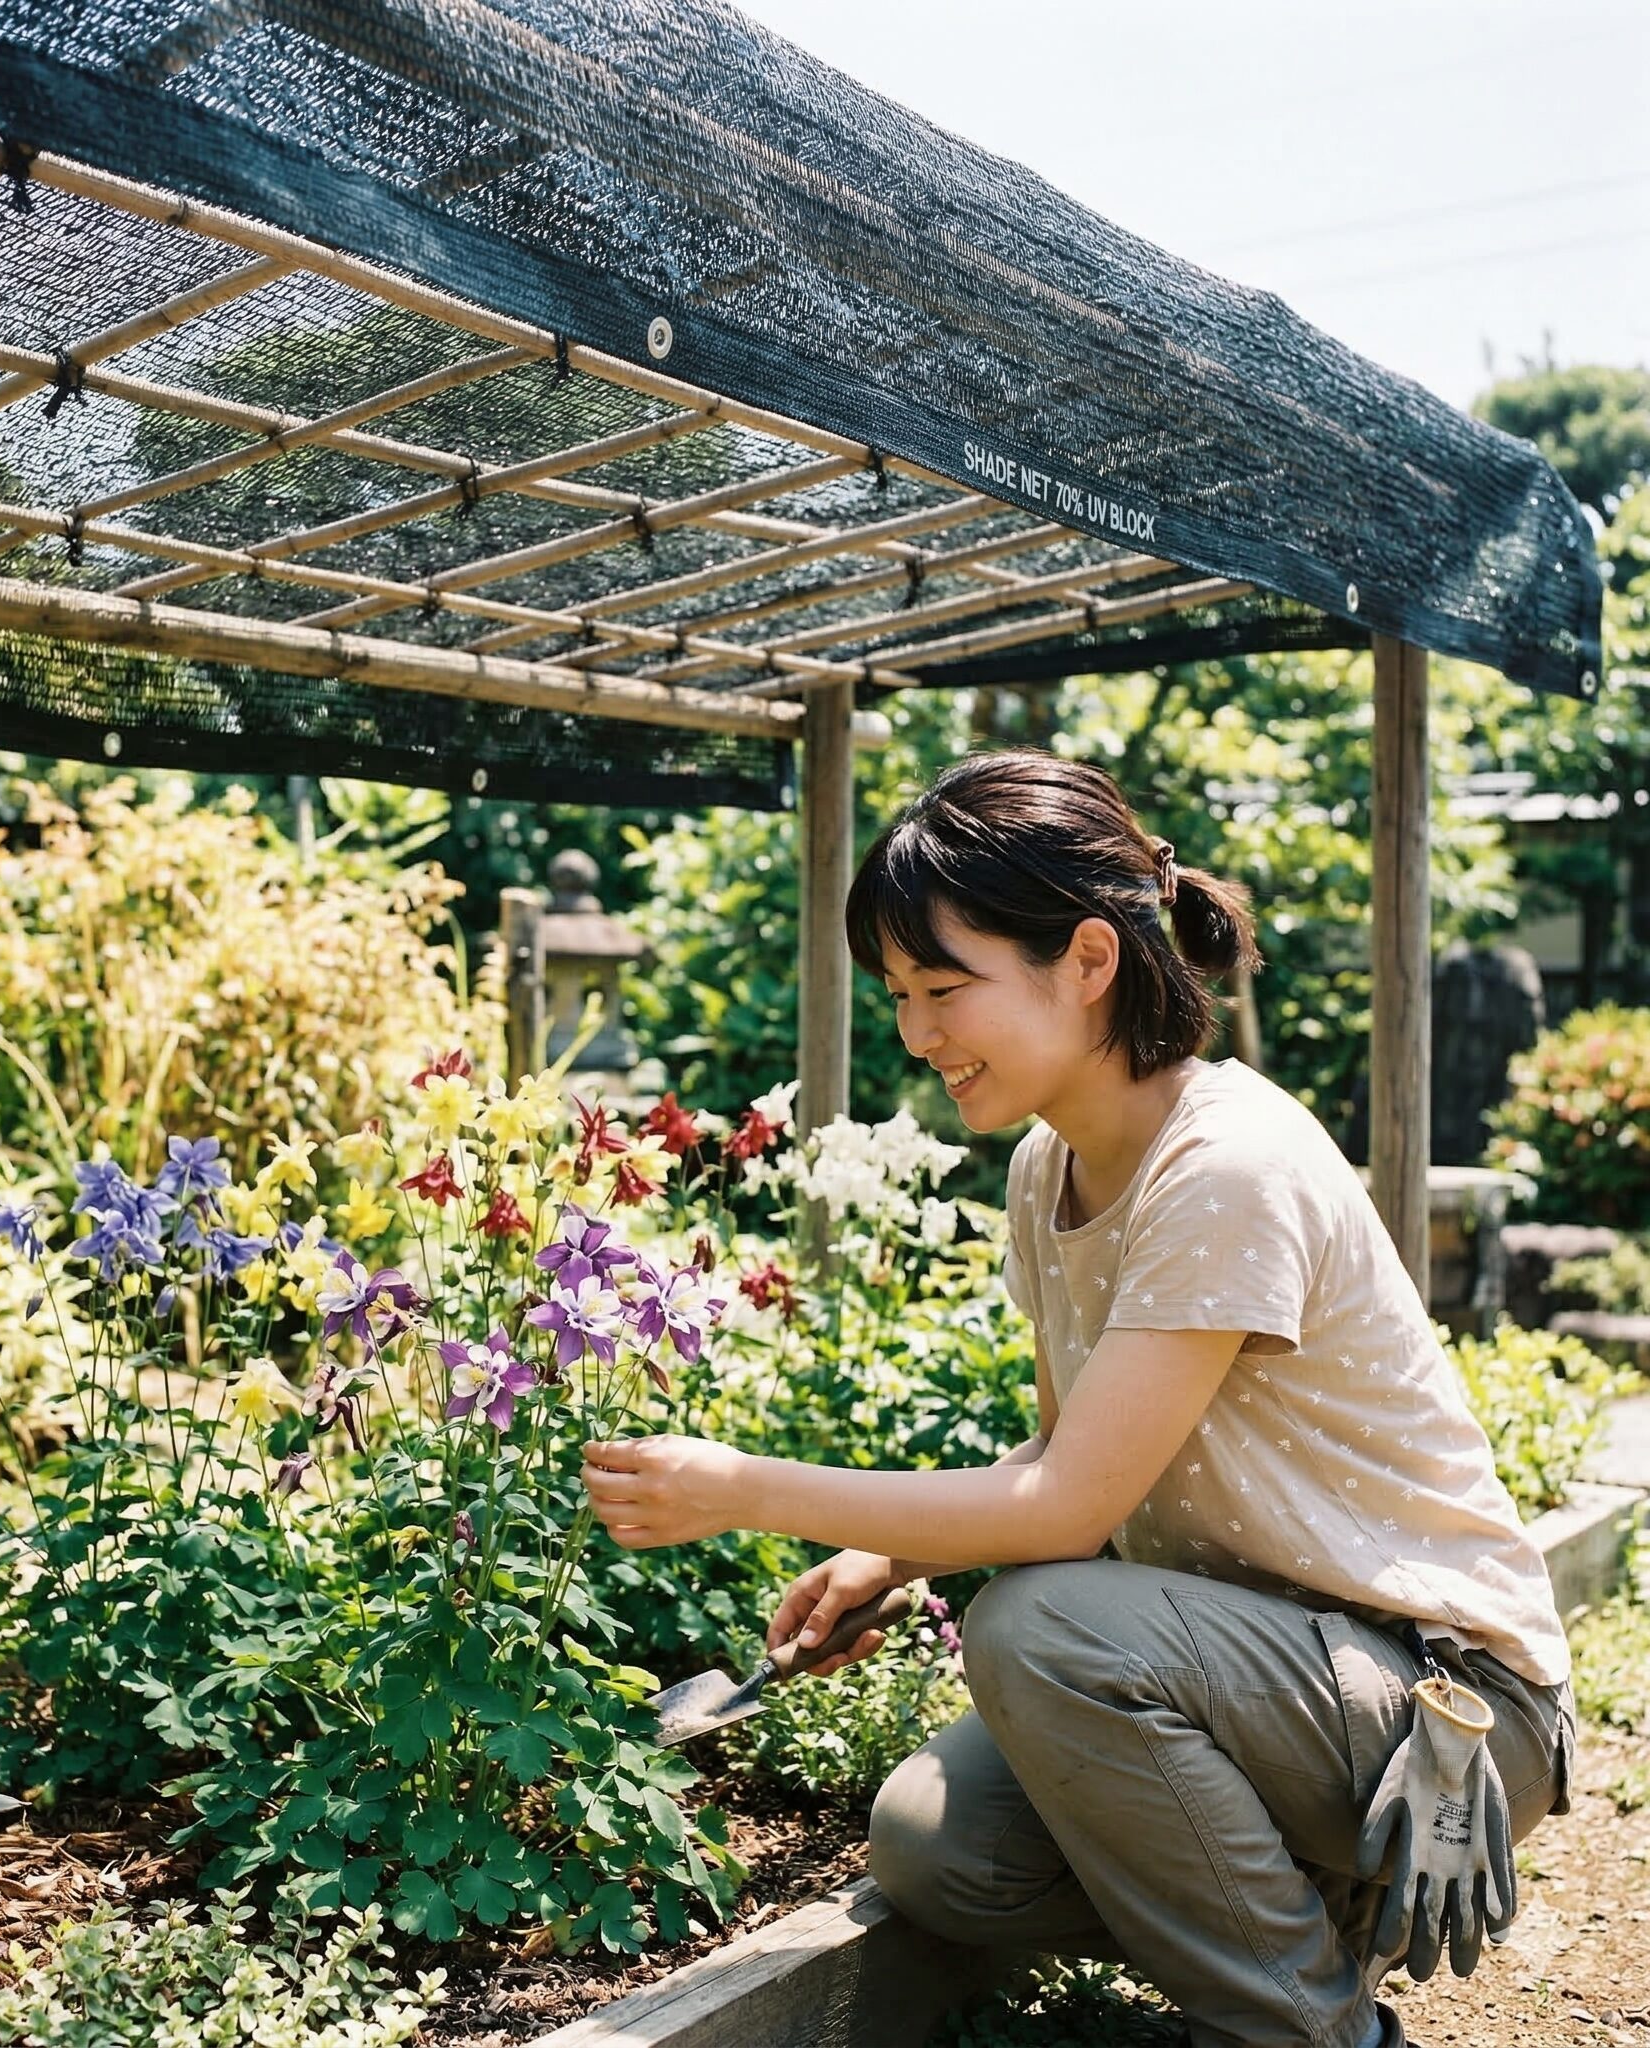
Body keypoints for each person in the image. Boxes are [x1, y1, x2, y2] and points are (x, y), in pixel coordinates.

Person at [579, 750, 1573, 2048]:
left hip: (1451, 1710)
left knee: (1039, 1628)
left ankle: (1313, 2032)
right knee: (938, 1846)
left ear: (1090, 961)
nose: (918, 1034)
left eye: (945, 988)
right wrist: (882, 1557)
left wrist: (741, 1490)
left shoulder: (1226, 1165)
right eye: (898, 995)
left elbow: (1065, 1510)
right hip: (1276, 1684)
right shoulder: (1050, 1172)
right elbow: (1075, 1449)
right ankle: (1312, 1903)